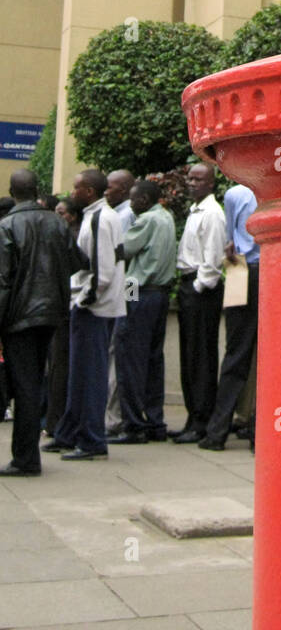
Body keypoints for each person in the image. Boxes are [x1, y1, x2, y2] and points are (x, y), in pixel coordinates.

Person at [0, 170, 83, 475]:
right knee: (33, 382)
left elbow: (3, 281)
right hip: (51, 313)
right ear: (37, 190)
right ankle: (27, 454)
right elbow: (78, 261)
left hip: (19, 318)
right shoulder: (56, 223)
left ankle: (25, 458)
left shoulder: (7, 225)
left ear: (12, 191)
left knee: (24, 387)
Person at [44, 169, 125, 460]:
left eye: (77, 188)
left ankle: (91, 441)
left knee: (89, 376)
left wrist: (83, 301)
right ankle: (70, 432)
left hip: (93, 307)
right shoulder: (97, 215)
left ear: (89, 192)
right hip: (90, 305)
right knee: (79, 375)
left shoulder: (101, 219)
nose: (72, 192)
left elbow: (102, 271)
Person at [112, 181, 176, 444]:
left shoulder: (146, 220)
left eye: (134, 198)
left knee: (130, 359)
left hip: (137, 290)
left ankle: (133, 425)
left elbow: (124, 250)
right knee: (153, 360)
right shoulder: (167, 217)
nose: (131, 203)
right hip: (160, 293)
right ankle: (154, 421)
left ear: (146, 198)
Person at [199, 182, 259, 451]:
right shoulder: (268, 187)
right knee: (265, 355)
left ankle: (217, 431)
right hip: (265, 267)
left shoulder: (234, 195)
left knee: (235, 353)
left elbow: (229, 243)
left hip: (238, 270)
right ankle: (257, 432)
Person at [173, 164, 225, 444]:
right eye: (190, 178)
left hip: (198, 290)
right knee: (189, 358)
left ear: (211, 184)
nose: (192, 183)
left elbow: (212, 258)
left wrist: (198, 285)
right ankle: (193, 417)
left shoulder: (213, 214)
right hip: (187, 287)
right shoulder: (195, 212)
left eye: (198, 179)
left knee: (200, 358)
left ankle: (201, 420)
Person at [44, 199, 82, 437]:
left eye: (62, 213)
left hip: (78, 304)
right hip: (68, 304)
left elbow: (128, 271)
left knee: (62, 365)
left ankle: (58, 423)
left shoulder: (77, 235)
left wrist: (131, 301)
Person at [104, 170, 136, 438]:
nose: (106, 191)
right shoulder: (124, 215)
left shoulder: (124, 217)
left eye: (110, 187)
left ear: (124, 189)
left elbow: (127, 266)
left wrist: (127, 302)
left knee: (117, 355)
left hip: (121, 297)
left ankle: (114, 418)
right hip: (124, 297)